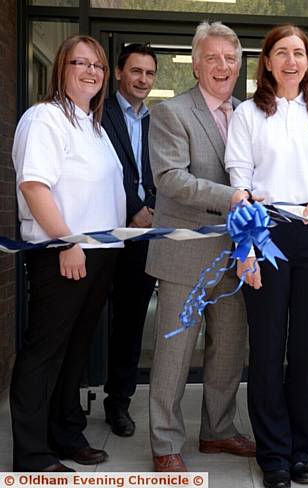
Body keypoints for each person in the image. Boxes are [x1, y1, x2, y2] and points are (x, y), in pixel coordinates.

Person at [225, 24, 308, 488]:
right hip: (266, 231)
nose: (291, 60)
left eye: (299, 52)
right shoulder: (250, 113)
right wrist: (246, 245)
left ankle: (300, 450)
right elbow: (239, 174)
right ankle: (273, 453)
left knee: (305, 347)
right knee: (269, 344)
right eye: (282, 52)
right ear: (268, 62)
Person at [10, 34, 125, 472]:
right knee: (45, 352)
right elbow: (35, 186)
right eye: (81, 63)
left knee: (75, 351)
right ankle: (33, 455)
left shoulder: (92, 125)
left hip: (98, 255)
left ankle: (64, 433)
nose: (91, 71)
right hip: (63, 252)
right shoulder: (45, 118)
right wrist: (67, 242)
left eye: (97, 65)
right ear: (62, 68)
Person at [146, 21, 255, 473]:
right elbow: (170, 178)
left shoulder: (249, 114)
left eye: (230, 59)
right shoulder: (171, 112)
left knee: (228, 351)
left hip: (237, 255)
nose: (222, 66)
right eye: (212, 58)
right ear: (195, 64)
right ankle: (165, 440)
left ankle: (218, 430)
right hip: (185, 257)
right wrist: (229, 197)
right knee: (174, 353)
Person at [101, 42, 157, 438]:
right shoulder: (96, 112)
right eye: (135, 71)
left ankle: (118, 402)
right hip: (102, 229)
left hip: (144, 235)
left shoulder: (159, 120)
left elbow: (166, 169)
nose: (142, 80)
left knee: (130, 322)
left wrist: (150, 208)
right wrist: (134, 205)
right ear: (120, 73)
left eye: (149, 73)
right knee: (85, 317)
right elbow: (107, 168)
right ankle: (65, 401)